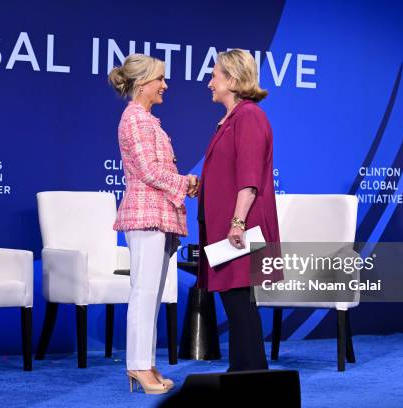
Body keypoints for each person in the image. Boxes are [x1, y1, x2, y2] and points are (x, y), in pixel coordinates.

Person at [109, 54, 198, 394]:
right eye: (160, 79)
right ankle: (137, 365)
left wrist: (183, 183)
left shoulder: (146, 119)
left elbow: (154, 170)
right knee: (144, 294)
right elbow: (147, 171)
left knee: (152, 294)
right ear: (143, 83)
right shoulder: (135, 119)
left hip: (159, 213)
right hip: (146, 214)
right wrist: (184, 182)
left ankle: (145, 362)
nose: (165, 85)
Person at [197, 49, 280, 371]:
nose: (210, 83)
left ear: (232, 80)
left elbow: (249, 178)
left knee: (239, 300)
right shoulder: (232, 119)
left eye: (215, 76)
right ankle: (242, 371)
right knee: (235, 300)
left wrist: (236, 223)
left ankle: (252, 372)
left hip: (239, 226)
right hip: (227, 224)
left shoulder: (249, 116)